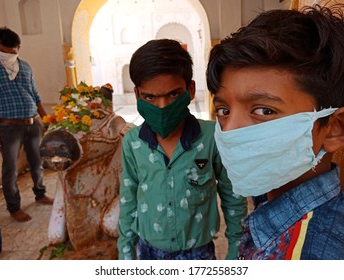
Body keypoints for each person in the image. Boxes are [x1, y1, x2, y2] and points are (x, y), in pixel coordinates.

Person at [206, 5, 344, 260]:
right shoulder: (269, 203)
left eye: (264, 111)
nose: (230, 131)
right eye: (223, 110)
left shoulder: (311, 255)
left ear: (334, 128)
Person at [117, 39, 247, 260]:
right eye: (150, 97)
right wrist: (126, 252)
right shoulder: (132, 142)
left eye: (173, 94)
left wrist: (236, 250)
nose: (163, 106)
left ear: (191, 89)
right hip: (148, 251)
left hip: (198, 254)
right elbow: (129, 199)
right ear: (138, 95)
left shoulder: (212, 138)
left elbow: (232, 197)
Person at [0, 27, 53, 223]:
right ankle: (14, 207)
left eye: (14, 51)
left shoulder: (25, 66)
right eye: (5, 52)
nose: (10, 56)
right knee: (10, 168)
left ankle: (40, 194)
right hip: (8, 127)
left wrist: (47, 120)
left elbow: (35, 95)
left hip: (33, 123)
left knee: (37, 163)